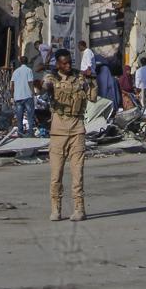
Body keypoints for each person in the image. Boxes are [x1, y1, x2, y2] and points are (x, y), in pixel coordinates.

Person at [42, 48, 97, 221]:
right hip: (58, 132)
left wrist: (92, 80)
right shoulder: (51, 78)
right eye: (63, 63)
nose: (67, 66)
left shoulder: (80, 78)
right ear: (57, 64)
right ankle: (56, 208)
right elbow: (43, 87)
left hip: (77, 130)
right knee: (56, 174)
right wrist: (45, 87)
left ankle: (79, 208)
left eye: (69, 63)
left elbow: (93, 97)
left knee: (77, 173)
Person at [10, 56, 36, 136]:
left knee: (19, 115)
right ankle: (30, 132)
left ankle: (20, 132)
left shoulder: (15, 71)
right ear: (27, 62)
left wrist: (12, 95)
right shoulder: (29, 70)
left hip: (18, 96)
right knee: (30, 115)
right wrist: (33, 93)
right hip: (27, 95)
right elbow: (30, 82)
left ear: (20, 62)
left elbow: (12, 85)